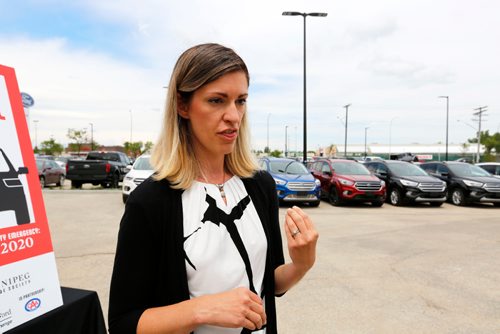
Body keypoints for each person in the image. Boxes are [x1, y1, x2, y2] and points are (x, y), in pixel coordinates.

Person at [108, 43, 318, 334]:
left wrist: (301, 264)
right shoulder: (152, 201)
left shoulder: (260, 186)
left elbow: (269, 283)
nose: (233, 115)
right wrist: (200, 310)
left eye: (241, 101)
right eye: (217, 100)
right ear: (183, 105)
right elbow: (123, 323)